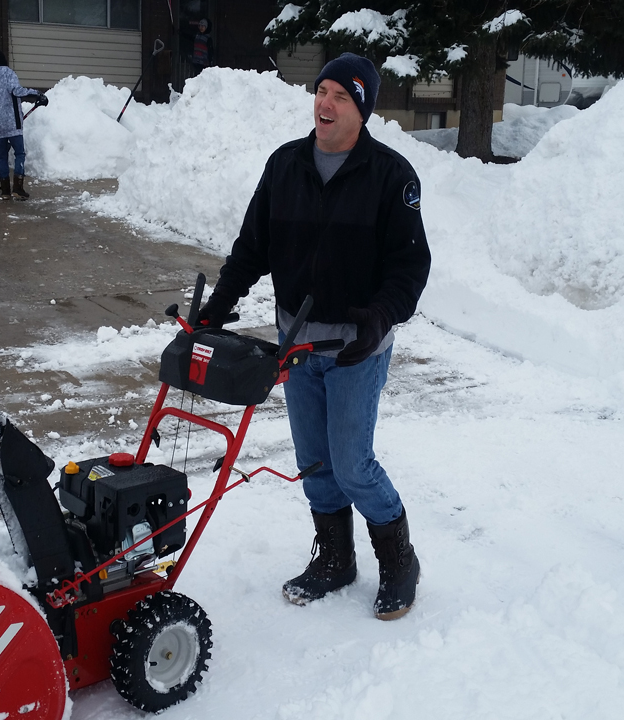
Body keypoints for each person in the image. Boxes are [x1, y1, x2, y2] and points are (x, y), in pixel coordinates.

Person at [196, 53, 430, 620]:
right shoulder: (285, 166)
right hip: (295, 344)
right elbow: (252, 247)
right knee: (314, 460)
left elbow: (410, 266)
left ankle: (400, 561)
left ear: (363, 109)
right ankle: (335, 558)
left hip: (356, 346)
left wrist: (380, 316)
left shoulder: (391, 176)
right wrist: (217, 309)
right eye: (321, 91)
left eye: (340, 96)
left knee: (352, 464)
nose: (324, 104)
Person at [0, 49, 45, 200]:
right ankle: (18, 188)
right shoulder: (8, 74)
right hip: (13, 124)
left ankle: (5, 191)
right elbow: (17, 91)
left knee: (2, 157)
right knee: (20, 154)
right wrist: (37, 94)